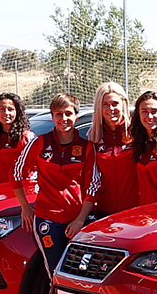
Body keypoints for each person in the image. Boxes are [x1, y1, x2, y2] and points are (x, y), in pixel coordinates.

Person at [12, 93, 100, 279]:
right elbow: (16, 174)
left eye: (68, 113)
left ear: (76, 116)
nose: (63, 119)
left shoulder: (86, 147)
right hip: (47, 220)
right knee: (55, 272)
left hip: (77, 221)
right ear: (52, 116)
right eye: (58, 114)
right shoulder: (39, 143)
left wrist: (80, 220)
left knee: (81, 274)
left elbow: (93, 185)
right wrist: (25, 208)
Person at [88, 82, 138, 217]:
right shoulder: (94, 138)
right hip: (104, 213)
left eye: (115, 103)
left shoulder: (137, 133)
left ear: (123, 104)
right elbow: (92, 180)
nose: (110, 109)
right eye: (105, 104)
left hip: (135, 211)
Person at [0, 92, 34, 184]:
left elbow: (35, 169)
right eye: (2, 109)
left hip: (18, 191)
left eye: (10, 109)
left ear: (17, 112)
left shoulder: (27, 138)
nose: (6, 113)